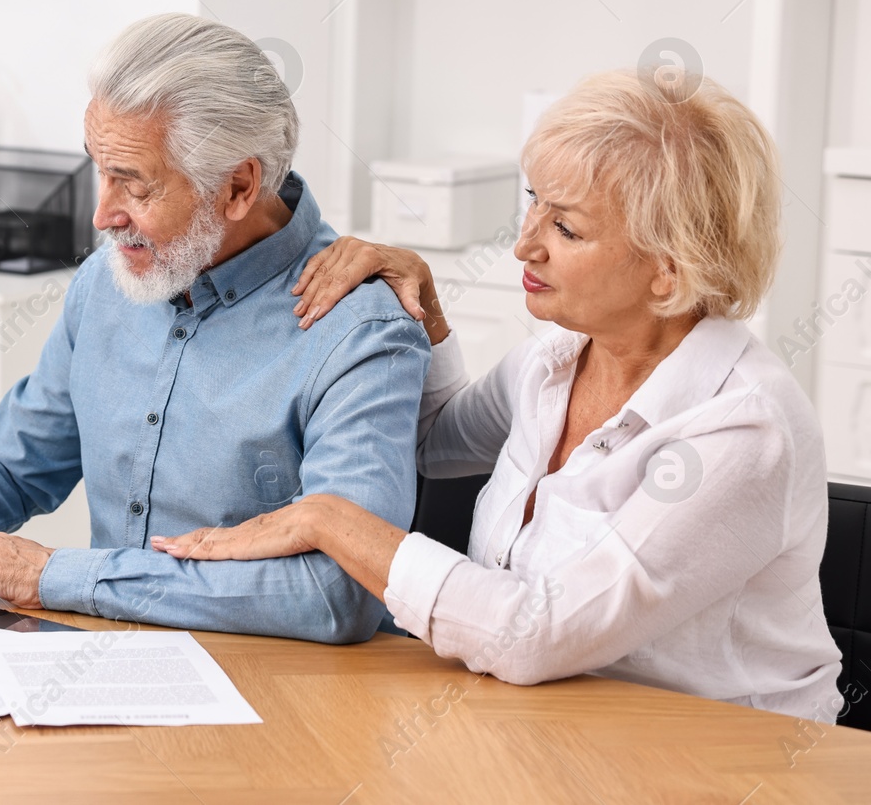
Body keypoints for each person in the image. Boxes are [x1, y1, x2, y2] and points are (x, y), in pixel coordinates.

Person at [152, 67, 843, 720]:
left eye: (565, 227)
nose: (523, 245)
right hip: (550, 729)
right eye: (532, 203)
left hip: (722, 765)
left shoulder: (743, 430)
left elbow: (537, 633)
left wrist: (327, 518)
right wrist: (423, 301)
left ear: (668, 270)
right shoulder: (559, 357)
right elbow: (434, 439)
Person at [0, 13, 430, 644]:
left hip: (280, 698)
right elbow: (16, 462)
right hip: (98, 672)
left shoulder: (361, 331)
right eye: (100, 169)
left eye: (134, 185)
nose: (102, 215)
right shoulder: (107, 283)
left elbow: (340, 591)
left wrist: (57, 578)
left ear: (237, 186)